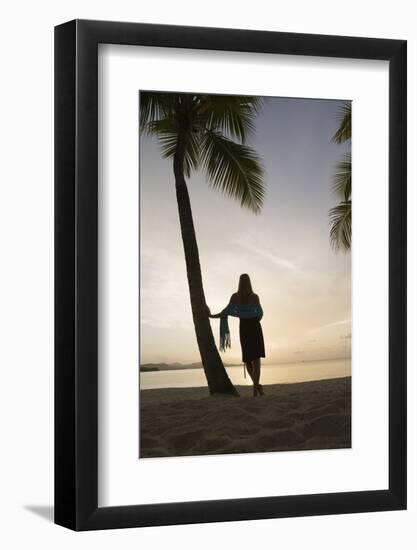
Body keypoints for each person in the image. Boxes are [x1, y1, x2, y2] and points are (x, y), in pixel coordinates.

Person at [208, 274, 266, 396]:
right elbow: (260, 314)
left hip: (244, 328)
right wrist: (252, 318)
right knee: (256, 361)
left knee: (248, 360)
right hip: (255, 327)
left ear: (239, 282)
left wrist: (211, 316)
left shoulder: (235, 297)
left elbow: (225, 312)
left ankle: (256, 388)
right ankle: (256, 388)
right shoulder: (255, 297)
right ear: (249, 282)